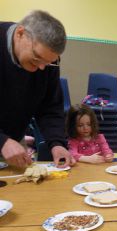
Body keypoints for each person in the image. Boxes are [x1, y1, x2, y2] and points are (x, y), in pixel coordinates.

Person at [0, 10, 74, 168]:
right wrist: (2, 141)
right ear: (20, 33)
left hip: (13, 143)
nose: (41, 68)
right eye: (36, 58)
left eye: (48, 62)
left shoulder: (47, 63)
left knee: (19, 190)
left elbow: (50, 107)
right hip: (5, 142)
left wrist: (57, 143)